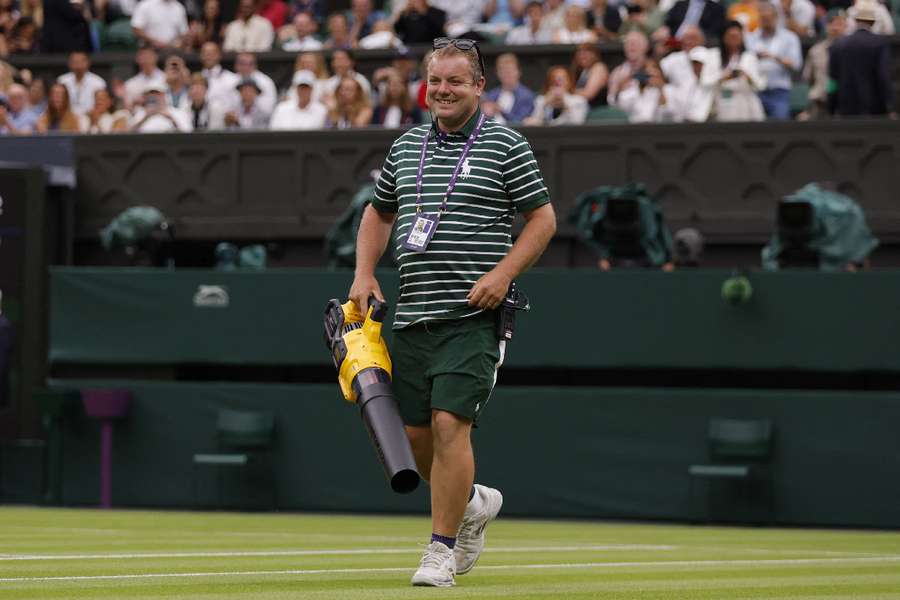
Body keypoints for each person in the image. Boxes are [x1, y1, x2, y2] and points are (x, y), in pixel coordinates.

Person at [349, 36, 555, 589]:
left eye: (456, 81)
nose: (443, 90)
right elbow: (378, 214)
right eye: (435, 80)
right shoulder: (405, 146)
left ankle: (440, 549)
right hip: (412, 314)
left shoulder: (507, 145)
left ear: (479, 86)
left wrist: (503, 273)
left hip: (474, 314)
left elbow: (542, 220)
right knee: (416, 444)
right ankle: (474, 504)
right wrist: (364, 273)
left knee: (449, 425)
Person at [828, 0, 894, 117]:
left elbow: (833, 80)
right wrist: (889, 105)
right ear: (873, 23)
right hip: (874, 108)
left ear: (855, 21)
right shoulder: (880, 43)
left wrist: (831, 107)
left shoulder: (839, 44)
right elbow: (883, 76)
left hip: (845, 107)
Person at [746, 1, 802, 120]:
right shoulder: (750, 38)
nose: (766, 21)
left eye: (768, 18)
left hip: (779, 91)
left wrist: (773, 57)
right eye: (763, 18)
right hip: (755, 91)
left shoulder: (789, 38)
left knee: (780, 126)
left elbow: (796, 64)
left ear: (776, 16)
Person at [705, 20, 765, 121]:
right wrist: (724, 77)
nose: (734, 39)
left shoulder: (750, 57)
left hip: (746, 101)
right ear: (723, 37)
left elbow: (760, 85)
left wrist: (747, 76)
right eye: (731, 36)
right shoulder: (713, 55)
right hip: (722, 101)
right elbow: (705, 81)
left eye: (737, 36)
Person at [801, 9, 845, 119]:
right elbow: (809, 78)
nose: (835, 28)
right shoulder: (815, 50)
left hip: (844, 103)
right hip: (819, 102)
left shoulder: (852, 50)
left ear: (846, 26)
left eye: (839, 24)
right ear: (826, 26)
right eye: (831, 24)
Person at [481, 52, 535, 124]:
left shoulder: (527, 96)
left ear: (518, 72)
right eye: (502, 70)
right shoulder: (491, 95)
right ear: (497, 73)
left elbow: (521, 122)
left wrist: (501, 111)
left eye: (510, 70)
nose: (506, 73)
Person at [525, 65, 589, 125]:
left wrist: (565, 104)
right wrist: (545, 104)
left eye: (562, 78)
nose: (557, 81)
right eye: (553, 78)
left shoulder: (579, 100)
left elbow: (578, 123)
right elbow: (533, 123)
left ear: (569, 82)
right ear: (549, 83)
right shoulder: (541, 100)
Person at [56, 51, 107, 116]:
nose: (78, 65)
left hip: (91, 117)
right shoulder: (62, 80)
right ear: (69, 63)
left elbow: (101, 104)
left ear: (88, 62)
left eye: (81, 61)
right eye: (75, 62)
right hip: (66, 118)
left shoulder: (98, 82)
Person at [608, 30, 650, 105]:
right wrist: (619, 88)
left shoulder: (655, 69)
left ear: (646, 47)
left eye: (636, 43)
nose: (632, 45)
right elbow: (611, 102)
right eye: (628, 43)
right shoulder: (618, 72)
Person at [571, 42, 609, 108]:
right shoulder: (583, 71)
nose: (582, 56)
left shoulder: (599, 68)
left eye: (585, 53)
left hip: (597, 110)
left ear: (594, 54)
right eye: (579, 53)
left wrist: (567, 91)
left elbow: (589, 94)